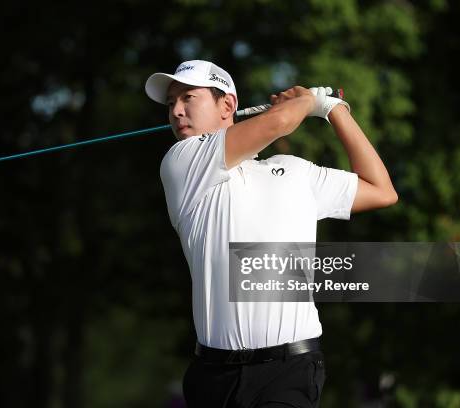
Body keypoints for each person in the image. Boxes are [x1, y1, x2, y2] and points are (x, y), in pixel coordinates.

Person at [145, 60, 397, 408]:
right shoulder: (182, 162)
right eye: (171, 103)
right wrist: (308, 101)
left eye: (188, 97)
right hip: (213, 378)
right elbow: (280, 122)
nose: (176, 111)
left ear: (228, 105)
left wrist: (334, 110)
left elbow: (382, 190)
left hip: (288, 370)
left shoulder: (295, 172)